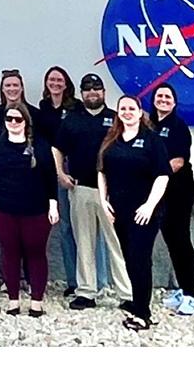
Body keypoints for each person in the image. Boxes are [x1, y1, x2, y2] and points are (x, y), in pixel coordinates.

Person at [52, 73, 132, 310]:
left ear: (104, 92)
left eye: (96, 88)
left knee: (116, 243)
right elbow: (57, 148)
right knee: (84, 242)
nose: (92, 92)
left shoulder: (116, 119)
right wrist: (60, 173)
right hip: (82, 189)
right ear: (82, 93)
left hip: (112, 193)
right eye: (87, 89)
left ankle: (126, 294)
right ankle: (86, 292)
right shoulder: (72, 120)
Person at [97, 95, 171, 331]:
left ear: (140, 112)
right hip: (119, 211)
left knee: (140, 259)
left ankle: (142, 313)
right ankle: (137, 302)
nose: (127, 112)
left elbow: (163, 175)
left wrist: (149, 205)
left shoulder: (152, 140)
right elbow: (101, 171)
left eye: (132, 108)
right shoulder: (112, 139)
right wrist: (103, 200)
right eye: (123, 109)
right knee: (129, 259)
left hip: (144, 212)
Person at [0, 103, 58, 317]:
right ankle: (13, 300)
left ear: (26, 121)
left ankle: (36, 302)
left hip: (36, 210)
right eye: (9, 119)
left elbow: (51, 177)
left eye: (18, 119)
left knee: (36, 253)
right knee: (10, 254)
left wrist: (53, 204)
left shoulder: (41, 146)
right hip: (4, 209)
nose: (13, 123)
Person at [150, 83, 194, 316]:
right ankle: (181, 288)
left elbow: (178, 161)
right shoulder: (148, 124)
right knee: (170, 240)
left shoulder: (178, 126)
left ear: (174, 101)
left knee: (181, 241)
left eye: (168, 96)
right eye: (159, 96)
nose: (163, 99)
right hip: (156, 192)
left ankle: (190, 295)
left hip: (177, 190)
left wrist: (156, 175)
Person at [36, 65, 81, 296]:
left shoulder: (76, 108)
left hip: (72, 169)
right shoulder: (42, 109)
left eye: (59, 80)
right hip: (50, 170)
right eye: (51, 80)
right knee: (63, 227)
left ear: (66, 84)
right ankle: (72, 280)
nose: (55, 84)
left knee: (80, 227)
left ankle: (91, 279)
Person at [0, 68, 38, 134]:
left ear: (22, 88)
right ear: (2, 89)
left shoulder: (36, 114)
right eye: (8, 85)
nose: (12, 89)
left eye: (15, 85)